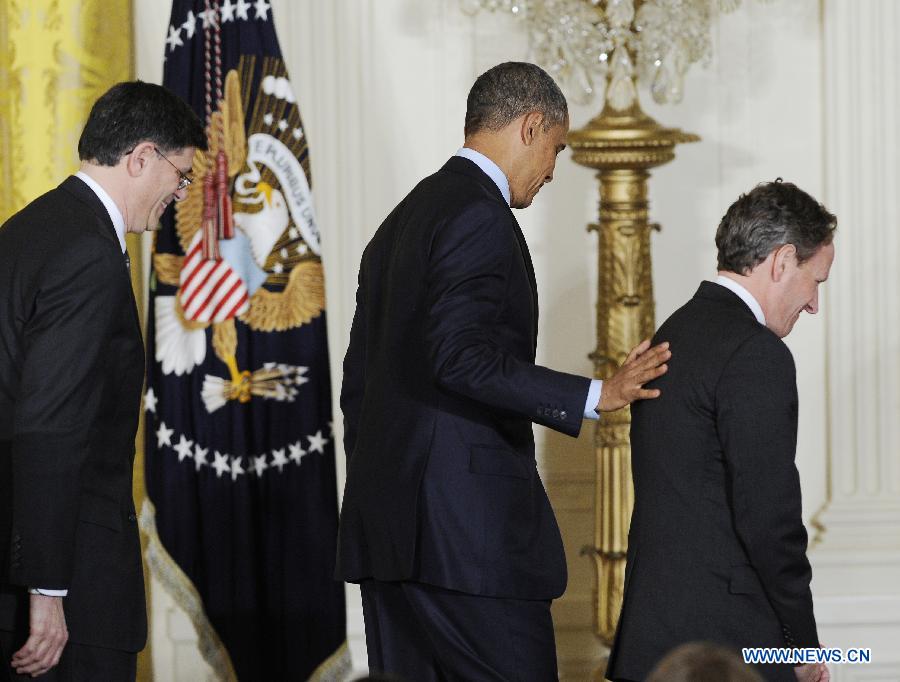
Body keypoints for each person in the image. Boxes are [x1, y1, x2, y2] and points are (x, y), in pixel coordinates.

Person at [336, 61, 671, 681]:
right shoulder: (478, 215)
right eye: (556, 149)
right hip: (466, 546)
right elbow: (459, 357)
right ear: (531, 125)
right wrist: (598, 393)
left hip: (389, 537)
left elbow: (359, 386)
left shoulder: (400, 221)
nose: (550, 170)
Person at [0, 81, 206, 681]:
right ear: (141, 157)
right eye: (181, 175)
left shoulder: (28, 229)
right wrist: (48, 587)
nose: (179, 193)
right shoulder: (89, 250)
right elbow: (50, 422)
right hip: (67, 585)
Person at [606, 180, 835, 682]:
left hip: (655, 638)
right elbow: (769, 520)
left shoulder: (675, 331)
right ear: (782, 261)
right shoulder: (756, 354)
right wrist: (799, 644)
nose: (815, 303)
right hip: (730, 648)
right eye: (816, 280)